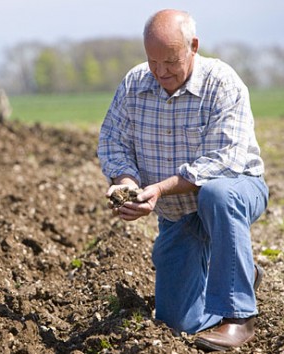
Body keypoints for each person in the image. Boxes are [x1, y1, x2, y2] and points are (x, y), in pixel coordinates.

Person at [97, 9, 268, 352]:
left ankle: (238, 315)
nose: (160, 72)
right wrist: (126, 183)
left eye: (170, 61)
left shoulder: (222, 83)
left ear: (193, 46)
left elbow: (225, 160)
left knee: (217, 195)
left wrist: (159, 188)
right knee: (178, 322)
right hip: (178, 214)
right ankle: (240, 273)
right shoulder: (134, 85)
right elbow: (113, 141)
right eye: (152, 61)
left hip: (235, 190)